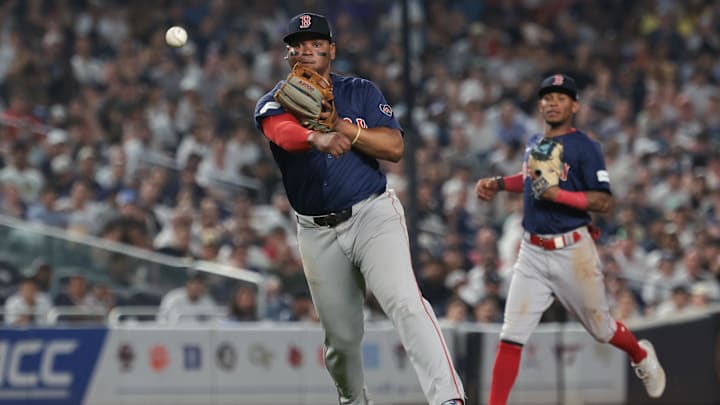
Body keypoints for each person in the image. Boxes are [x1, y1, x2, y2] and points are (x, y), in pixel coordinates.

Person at [254, 12, 465, 405]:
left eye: (315, 44)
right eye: (297, 47)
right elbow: (281, 134)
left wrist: (342, 126)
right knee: (341, 341)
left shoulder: (361, 92)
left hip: (373, 215)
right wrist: (315, 138)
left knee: (405, 301)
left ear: (331, 50)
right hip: (317, 231)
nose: (306, 52)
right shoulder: (274, 102)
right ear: (288, 57)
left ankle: (448, 399)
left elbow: (395, 148)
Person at [474, 74, 666, 404]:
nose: (552, 102)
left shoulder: (586, 147)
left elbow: (604, 201)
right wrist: (500, 183)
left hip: (572, 250)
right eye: (547, 97)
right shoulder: (535, 141)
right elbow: (532, 180)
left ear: (574, 105)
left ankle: (640, 355)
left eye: (561, 97)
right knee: (511, 335)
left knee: (602, 329)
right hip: (532, 251)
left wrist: (559, 195)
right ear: (539, 104)